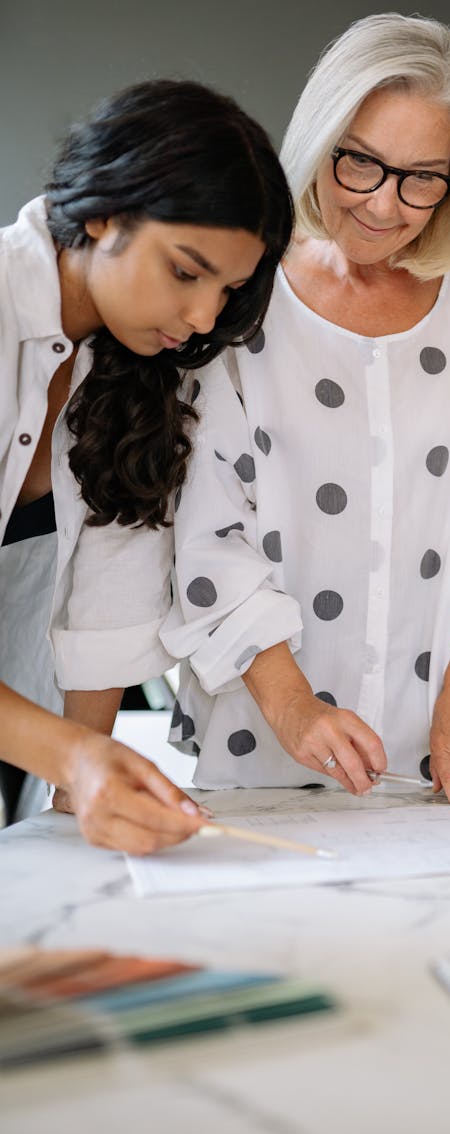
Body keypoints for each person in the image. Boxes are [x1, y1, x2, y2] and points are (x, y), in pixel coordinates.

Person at [161, 13, 450, 807]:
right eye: (362, 165)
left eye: (422, 177)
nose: (386, 205)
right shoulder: (243, 290)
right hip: (268, 740)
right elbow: (207, 529)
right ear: (321, 140)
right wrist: (294, 706)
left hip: (449, 740)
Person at [0, 77, 294, 850]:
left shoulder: (141, 367)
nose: (203, 318)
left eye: (227, 290)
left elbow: (107, 605)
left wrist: (78, 789)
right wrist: (77, 758)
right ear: (103, 213)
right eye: (186, 271)